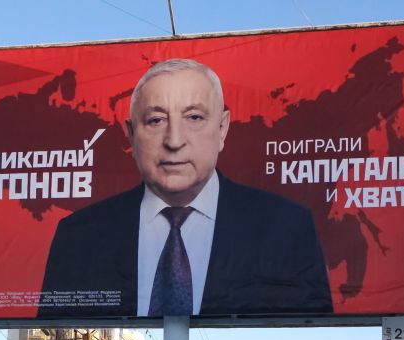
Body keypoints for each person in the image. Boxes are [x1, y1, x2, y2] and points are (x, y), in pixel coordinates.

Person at [40, 58, 332, 319]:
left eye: (194, 118)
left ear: (222, 128)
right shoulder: (78, 236)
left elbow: (310, 336)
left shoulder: (287, 227)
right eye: (156, 120)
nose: (175, 140)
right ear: (131, 134)